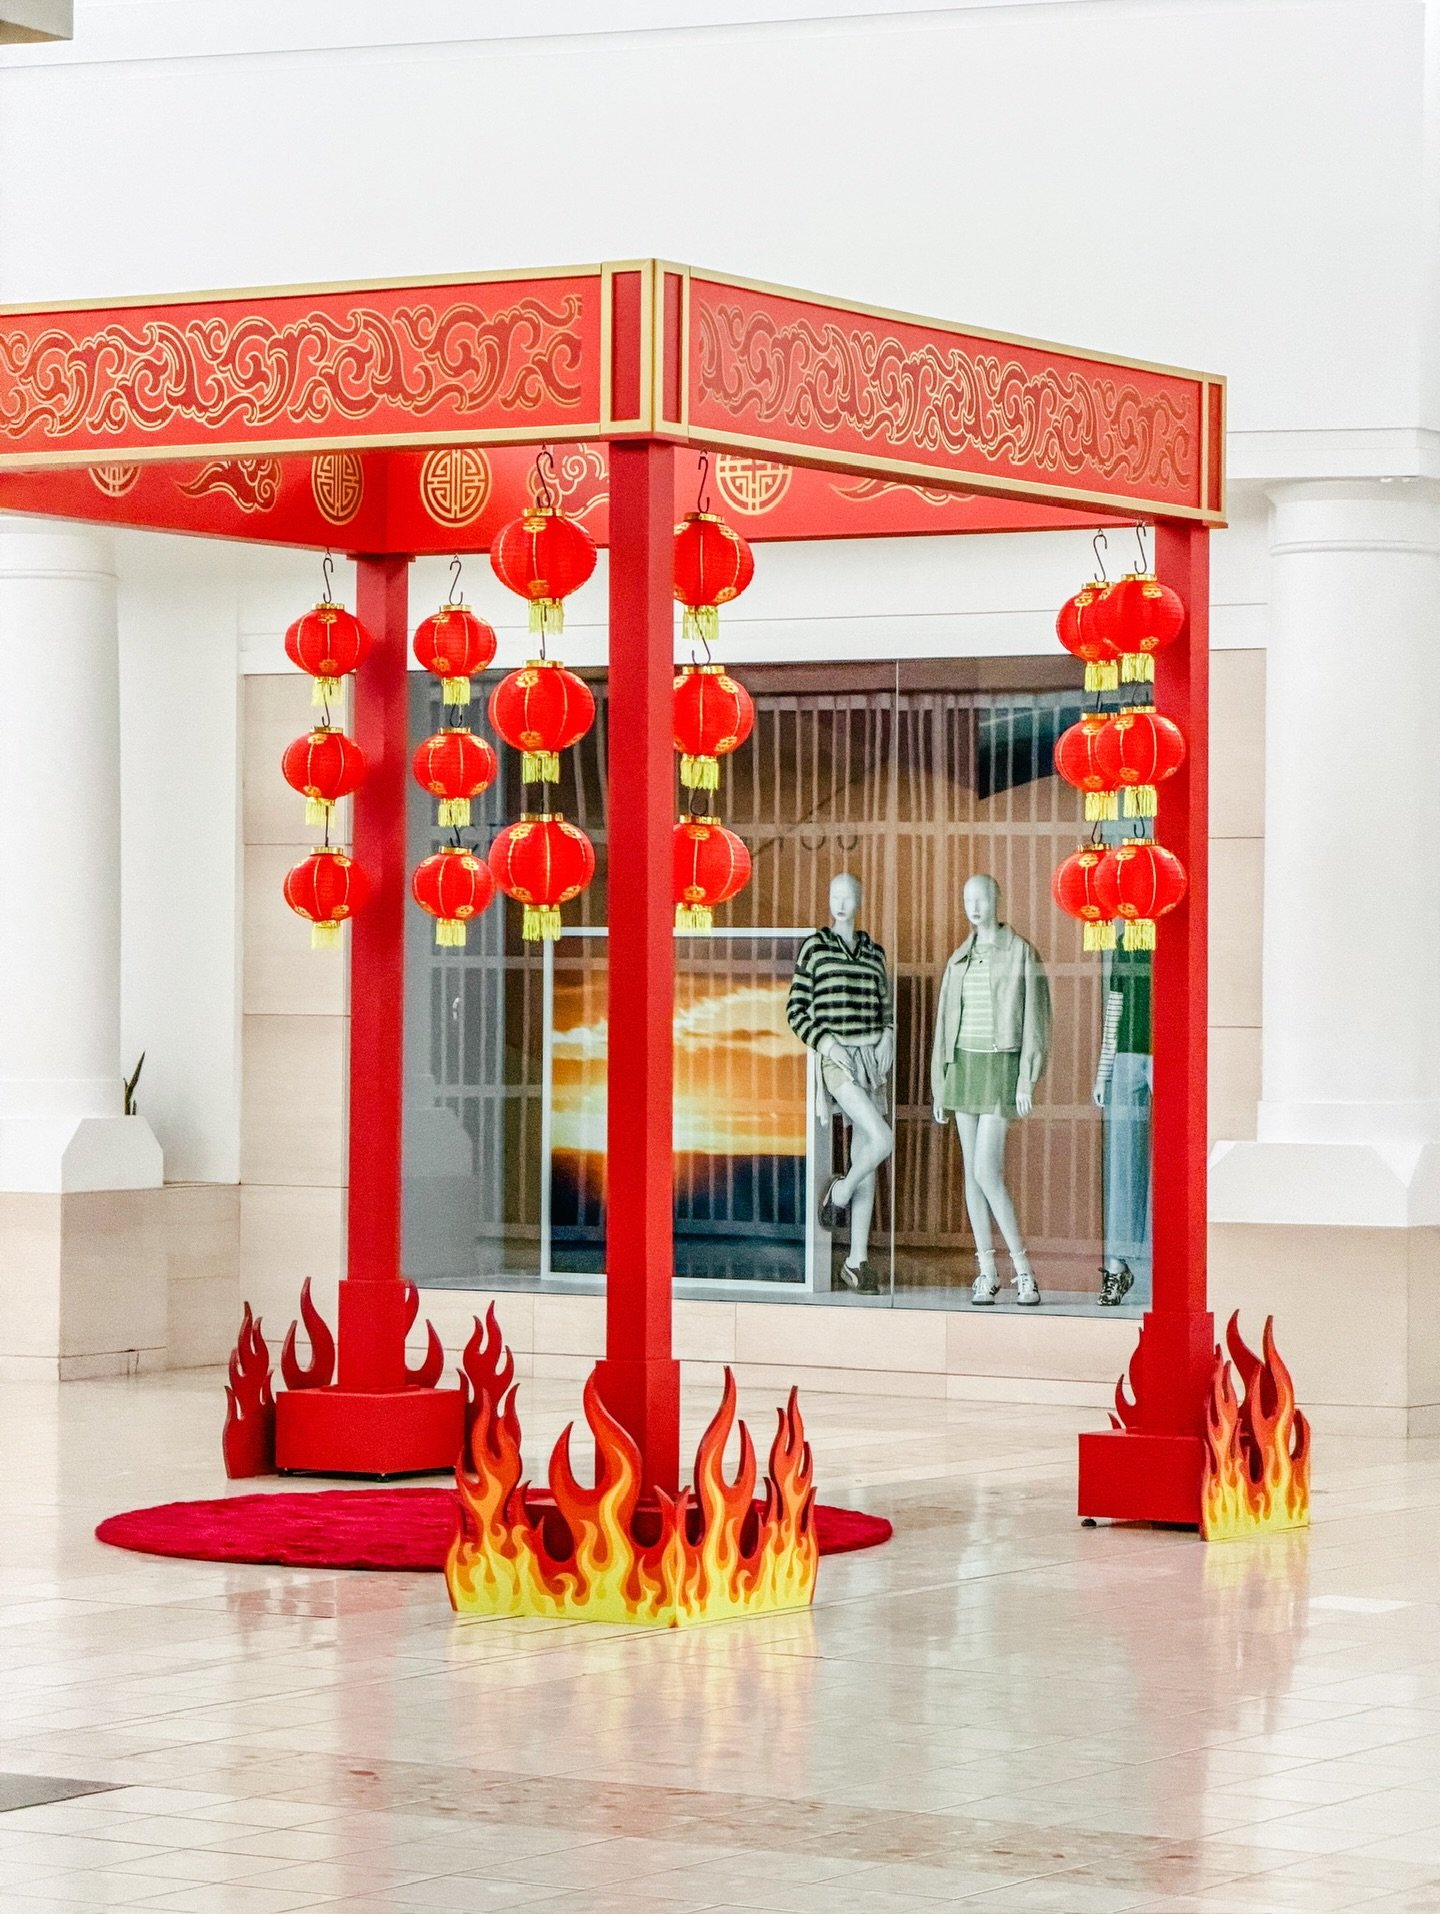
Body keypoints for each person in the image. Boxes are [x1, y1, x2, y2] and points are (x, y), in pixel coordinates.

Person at [931, 873, 1051, 1306]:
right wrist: (939, 1085)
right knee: (972, 1175)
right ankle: (986, 1271)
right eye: (967, 899)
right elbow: (945, 1026)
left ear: (998, 900)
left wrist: (1026, 1078)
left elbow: (1036, 1022)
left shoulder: (1019, 952)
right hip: (963, 1065)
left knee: (987, 1170)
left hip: (1001, 1066)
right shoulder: (958, 960)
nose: (974, 906)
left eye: (982, 898)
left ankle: (1024, 1271)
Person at [786, 873, 895, 1295]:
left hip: (871, 1057)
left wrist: (887, 1034)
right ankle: (840, 1191)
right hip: (838, 1059)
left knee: (865, 1152)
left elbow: (885, 1007)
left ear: (861, 899)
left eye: (849, 896)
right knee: (882, 1140)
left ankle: (856, 1261)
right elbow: (796, 1010)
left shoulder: (874, 951)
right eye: (835, 896)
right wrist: (827, 1044)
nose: (842, 902)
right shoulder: (815, 947)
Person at [1093, 941, 1153, 1306]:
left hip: (1168, 1047)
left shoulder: (1168, 932)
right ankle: (1117, 1267)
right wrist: (1103, 1072)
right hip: (1129, 1052)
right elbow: (1114, 1007)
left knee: (1170, 1160)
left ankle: (1167, 1266)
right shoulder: (1126, 940)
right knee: (1122, 1159)